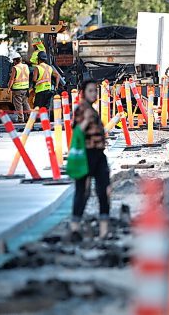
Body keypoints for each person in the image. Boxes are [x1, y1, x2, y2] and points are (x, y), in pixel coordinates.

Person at [71, 80, 111, 239]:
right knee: (82, 191)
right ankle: (75, 229)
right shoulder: (82, 109)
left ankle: (104, 230)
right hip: (87, 154)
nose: (94, 94)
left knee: (104, 190)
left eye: (95, 91)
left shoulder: (91, 109)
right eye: (90, 91)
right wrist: (86, 120)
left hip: (99, 155)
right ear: (83, 93)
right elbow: (77, 131)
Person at [7, 51, 30, 123]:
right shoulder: (26, 66)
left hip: (17, 89)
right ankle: (29, 117)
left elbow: (12, 79)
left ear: (15, 60)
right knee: (25, 103)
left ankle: (21, 119)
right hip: (25, 88)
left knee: (18, 105)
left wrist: (9, 88)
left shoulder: (15, 68)